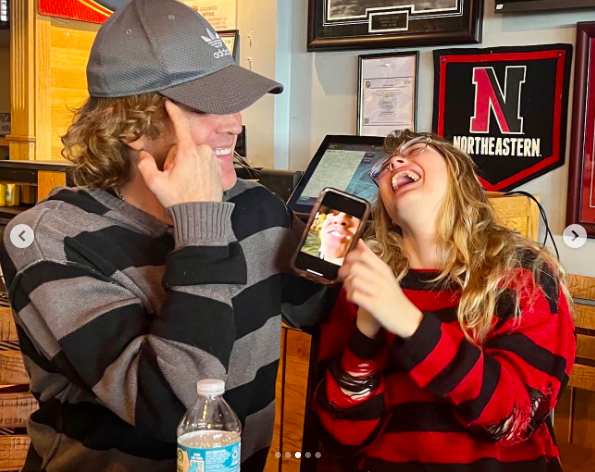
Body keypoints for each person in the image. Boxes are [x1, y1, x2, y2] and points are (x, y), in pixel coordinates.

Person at [0, 1, 330, 471]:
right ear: (133, 126)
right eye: (205, 105)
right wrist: (201, 225)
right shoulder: (49, 239)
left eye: (233, 101)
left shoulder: (256, 206)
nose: (234, 123)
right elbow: (178, 412)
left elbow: (322, 310)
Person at [315, 130, 576, 472]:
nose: (394, 161)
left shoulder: (523, 273)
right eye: (384, 167)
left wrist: (410, 324)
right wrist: (367, 326)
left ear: (459, 177)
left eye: (417, 150)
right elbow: (341, 437)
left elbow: (515, 418)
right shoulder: (366, 283)